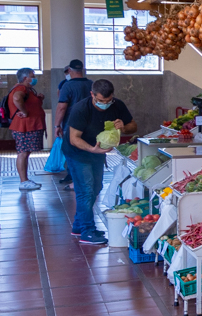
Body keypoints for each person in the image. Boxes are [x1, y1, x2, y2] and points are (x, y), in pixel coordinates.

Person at [64, 79, 136, 244]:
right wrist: (91, 149)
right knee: (86, 191)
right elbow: (74, 139)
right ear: (92, 95)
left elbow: (133, 126)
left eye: (108, 101)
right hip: (77, 152)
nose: (104, 104)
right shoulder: (81, 109)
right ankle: (87, 231)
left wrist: (123, 127)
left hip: (98, 152)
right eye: (100, 101)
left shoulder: (117, 105)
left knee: (96, 187)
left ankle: (78, 226)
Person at [8, 67, 47, 191]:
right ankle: (23, 181)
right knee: (23, 153)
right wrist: (24, 112)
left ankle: (25, 180)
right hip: (25, 127)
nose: (34, 78)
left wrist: (39, 99)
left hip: (29, 126)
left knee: (25, 153)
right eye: (32, 76)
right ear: (25, 78)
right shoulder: (21, 88)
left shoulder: (28, 90)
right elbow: (17, 98)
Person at [56, 59, 92, 186]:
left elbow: (62, 107)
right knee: (86, 151)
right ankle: (86, 178)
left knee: (72, 153)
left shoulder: (68, 85)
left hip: (71, 125)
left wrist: (57, 125)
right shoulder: (91, 84)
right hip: (90, 125)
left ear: (70, 70)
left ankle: (75, 180)